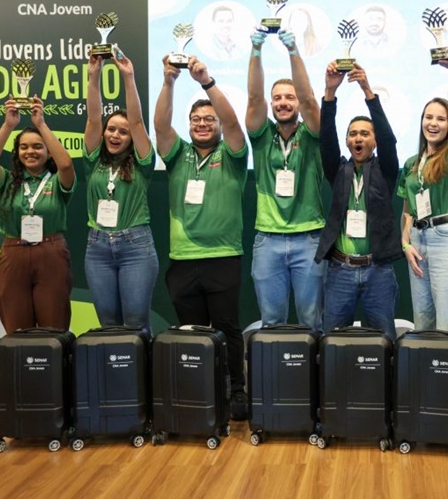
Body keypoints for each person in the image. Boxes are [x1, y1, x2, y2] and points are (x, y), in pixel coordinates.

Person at [153, 54, 248, 421]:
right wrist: (169, 82)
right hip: (183, 259)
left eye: (210, 120)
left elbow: (235, 122)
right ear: (189, 125)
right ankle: (199, 394)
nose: (204, 124)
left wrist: (207, 83)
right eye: (196, 120)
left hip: (224, 256)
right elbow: (160, 126)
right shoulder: (178, 155)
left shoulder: (233, 153)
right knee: (193, 333)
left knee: (226, 329)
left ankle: (236, 392)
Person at [247, 28, 325, 330]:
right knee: (272, 323)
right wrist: (256, 49)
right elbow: (254, 97)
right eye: (277, 98)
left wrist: (293, 50)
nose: (283, 103)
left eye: (289, 97)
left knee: (312, 323)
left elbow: (309, 100)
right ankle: (274, 377)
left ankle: (313, 379)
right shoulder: (261, 134)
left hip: (309, 238)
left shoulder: (312, 133)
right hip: (268, 239)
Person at [315, 62, 400, 340]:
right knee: (332, 342)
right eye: (353, 134)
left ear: (373, 141)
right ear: (348, 142)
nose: (358, 138)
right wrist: (330, 92)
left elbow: (390, 140)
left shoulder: (385, 171)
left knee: (385, 341)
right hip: (341, 270)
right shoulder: (339, 171)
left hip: (378, 271)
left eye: (365, 133)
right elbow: (326, 138)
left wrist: (367, 90)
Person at [0, 96, 75, 333]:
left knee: (54, 328)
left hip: (51, 253)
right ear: (17, 152)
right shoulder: (7, 181)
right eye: (24, 147)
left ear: (48, 151)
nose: (30, 151)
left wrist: (41, 124)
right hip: (14, 253)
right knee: (16, 329)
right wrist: (8, 125)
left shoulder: (56, 181)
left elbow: (65, 165)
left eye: (37, 146)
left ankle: (55, 370)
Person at [82, 49, 158, 332]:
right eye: (111, 129)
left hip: (135, 245)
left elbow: (137, 122)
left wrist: (128, 78)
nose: (115, 135)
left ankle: (143, 377)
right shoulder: (93, 161)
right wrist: (94, 76)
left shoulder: (143, 163)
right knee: (109, 326)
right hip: (98, 247)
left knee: (137, 324)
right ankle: (113, 377)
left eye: (122, 132)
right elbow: (92, 119)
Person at [398, 58, 448, 337]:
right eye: (428, 117)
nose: (434, 123)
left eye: (440, 118)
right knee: (424, 325)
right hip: (417, 243)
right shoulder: (411, 163)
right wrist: (405, 243)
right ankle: (427, 380)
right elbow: (407, 209)